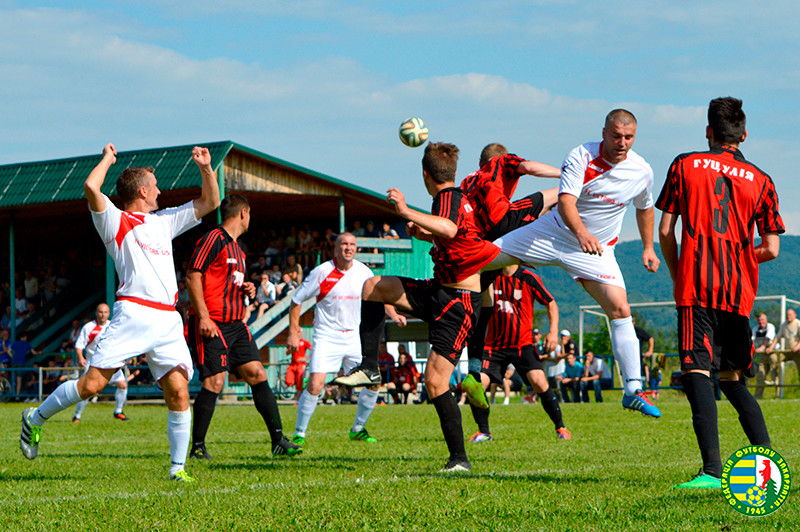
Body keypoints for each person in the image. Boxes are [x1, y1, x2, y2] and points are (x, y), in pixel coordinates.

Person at [20, 143, 220, 482]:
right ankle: (35, 418)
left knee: (179, 390)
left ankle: (177, 470)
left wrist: (206, 167)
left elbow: (211, 202)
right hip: (133, 314)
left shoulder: (165, 221)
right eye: (155, 185)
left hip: (167, 318)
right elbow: (90, 188)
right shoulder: (115, 220)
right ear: (142, 191)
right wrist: (108, 160)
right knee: (91, 385)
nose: (161, 190)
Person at [335, 142, 502, 472]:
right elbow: (454, 237)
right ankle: (369, 366)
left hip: (458, 304)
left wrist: (406, 212)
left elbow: (451, 229)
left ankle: (459, 460)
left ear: (425, 174)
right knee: (373, 286)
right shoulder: (457, 200)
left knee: (435, 383)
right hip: (439, 291)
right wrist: (423, 232)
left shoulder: (448, 199)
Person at [485, 109, 662, 418]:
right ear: (604, 133)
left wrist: (648, 247)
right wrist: (581, 233)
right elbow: (566, 201)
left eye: (629, 137)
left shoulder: (642, 171)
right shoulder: (581, 155)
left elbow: (645, 208)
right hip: (554, 233)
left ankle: (633, 389)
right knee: (481, 259)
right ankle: (437, 303)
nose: (622, 143)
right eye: (617, 136)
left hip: (597, 250)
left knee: (621, 309)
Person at [657, 97, 783, 489]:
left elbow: (665, 231)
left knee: (697, 370)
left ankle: (712, 471)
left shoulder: (684, 164)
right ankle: (771, 464)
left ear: (708, 132)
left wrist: (681, 275)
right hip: (738, 293)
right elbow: (772, 249)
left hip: (696, 288)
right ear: (744, 135)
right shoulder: (762, 180)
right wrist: (742, 259)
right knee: (731, 377)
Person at [186, 194, 300, 460]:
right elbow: (193, 275)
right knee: (214, 381)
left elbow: (226, 282)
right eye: (250, 214)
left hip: (236, 324)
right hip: (211, 322)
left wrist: (246, 288)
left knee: (258, 374)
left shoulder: (239, 249)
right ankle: (197, 447)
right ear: (243, 213)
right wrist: (203, 317)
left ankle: (278, 441)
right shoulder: (213, 238)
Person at [458, 143, 560, 408]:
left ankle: (473, 371)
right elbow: (528, 167)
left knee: (483, 302)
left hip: (478, 246)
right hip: (499, 223)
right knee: (558, 194)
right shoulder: (500, 163)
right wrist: (564, 173)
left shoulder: (468, 182)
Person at [286, 233, 405, 449]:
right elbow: (296, 300)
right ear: (336, 248)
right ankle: (299, 433)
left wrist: (393, 314)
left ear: (356, 248)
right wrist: (293, 332)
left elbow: (379, 298)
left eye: (352, 244)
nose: (348, 248)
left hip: (355, 337)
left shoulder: (364, 272)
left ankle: (358, 430)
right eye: (344, 244)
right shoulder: (321, 272)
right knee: (315, 384)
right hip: (326, 336)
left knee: (373, 381)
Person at [468, 265, 569, 442]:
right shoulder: (489, 276)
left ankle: (561, 427)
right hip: (494, 346)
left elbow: (550, 302)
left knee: (538, 381)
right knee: (475, 385)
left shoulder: (528, 278)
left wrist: (553, 332)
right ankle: (484, 431)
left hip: (523, 345)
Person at [71, 303, 130, 422]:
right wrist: (81, 358)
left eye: (105, 312)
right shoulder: (89, 327)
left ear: (109, 313)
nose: (103, 315)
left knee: (123, 385)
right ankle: (77, 415)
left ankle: (118, 411)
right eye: (100, 312)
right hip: (93, 363)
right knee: (88, 390)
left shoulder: (113, 326)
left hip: (111, 362)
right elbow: (79, 345)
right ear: (96, 313)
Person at [751, 313, 776, 399]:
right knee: (761, 375)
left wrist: (762, 347)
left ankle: (778, 394)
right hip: (763, 355)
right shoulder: (755, 329)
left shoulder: (770, 327)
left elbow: (768, 338)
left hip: (773, 352)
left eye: (762, 320)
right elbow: (752, 340)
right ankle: (757, 397)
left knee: (774, 366)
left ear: (766, 320)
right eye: (759, 320)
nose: (761, 322)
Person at [285, 327, 310, 402]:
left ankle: (298, 400)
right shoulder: (293, 342)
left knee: (299, 383)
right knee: (288, 381)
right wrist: (290, 349)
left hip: (301, 365)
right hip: (292, 364)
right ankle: (304, 383)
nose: (297, 334)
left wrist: (305, 358)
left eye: (298, 332)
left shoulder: (304, 342)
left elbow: (314, 349)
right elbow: (287, 353)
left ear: (301, 333)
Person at [632, 316, 654, 386]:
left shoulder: (638, 331)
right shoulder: (623, 332)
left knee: (640, 384)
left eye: (632, 321)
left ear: (634, 322)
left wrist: (650, 351)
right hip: (627, 361)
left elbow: (650, 339)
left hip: (638, 361)